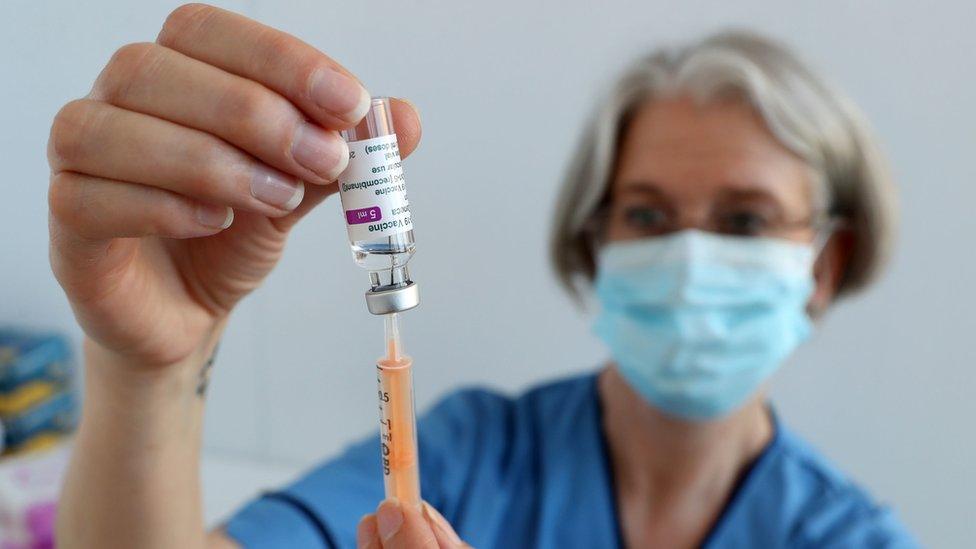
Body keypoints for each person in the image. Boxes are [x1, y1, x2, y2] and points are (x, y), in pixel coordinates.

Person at [48, 4, 918, 548]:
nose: (691, 258)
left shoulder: (857, 538)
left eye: (744, 221)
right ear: (594, 239)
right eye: (648, 214)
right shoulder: (469, 456)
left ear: (824, 264)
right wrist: (149, 369)